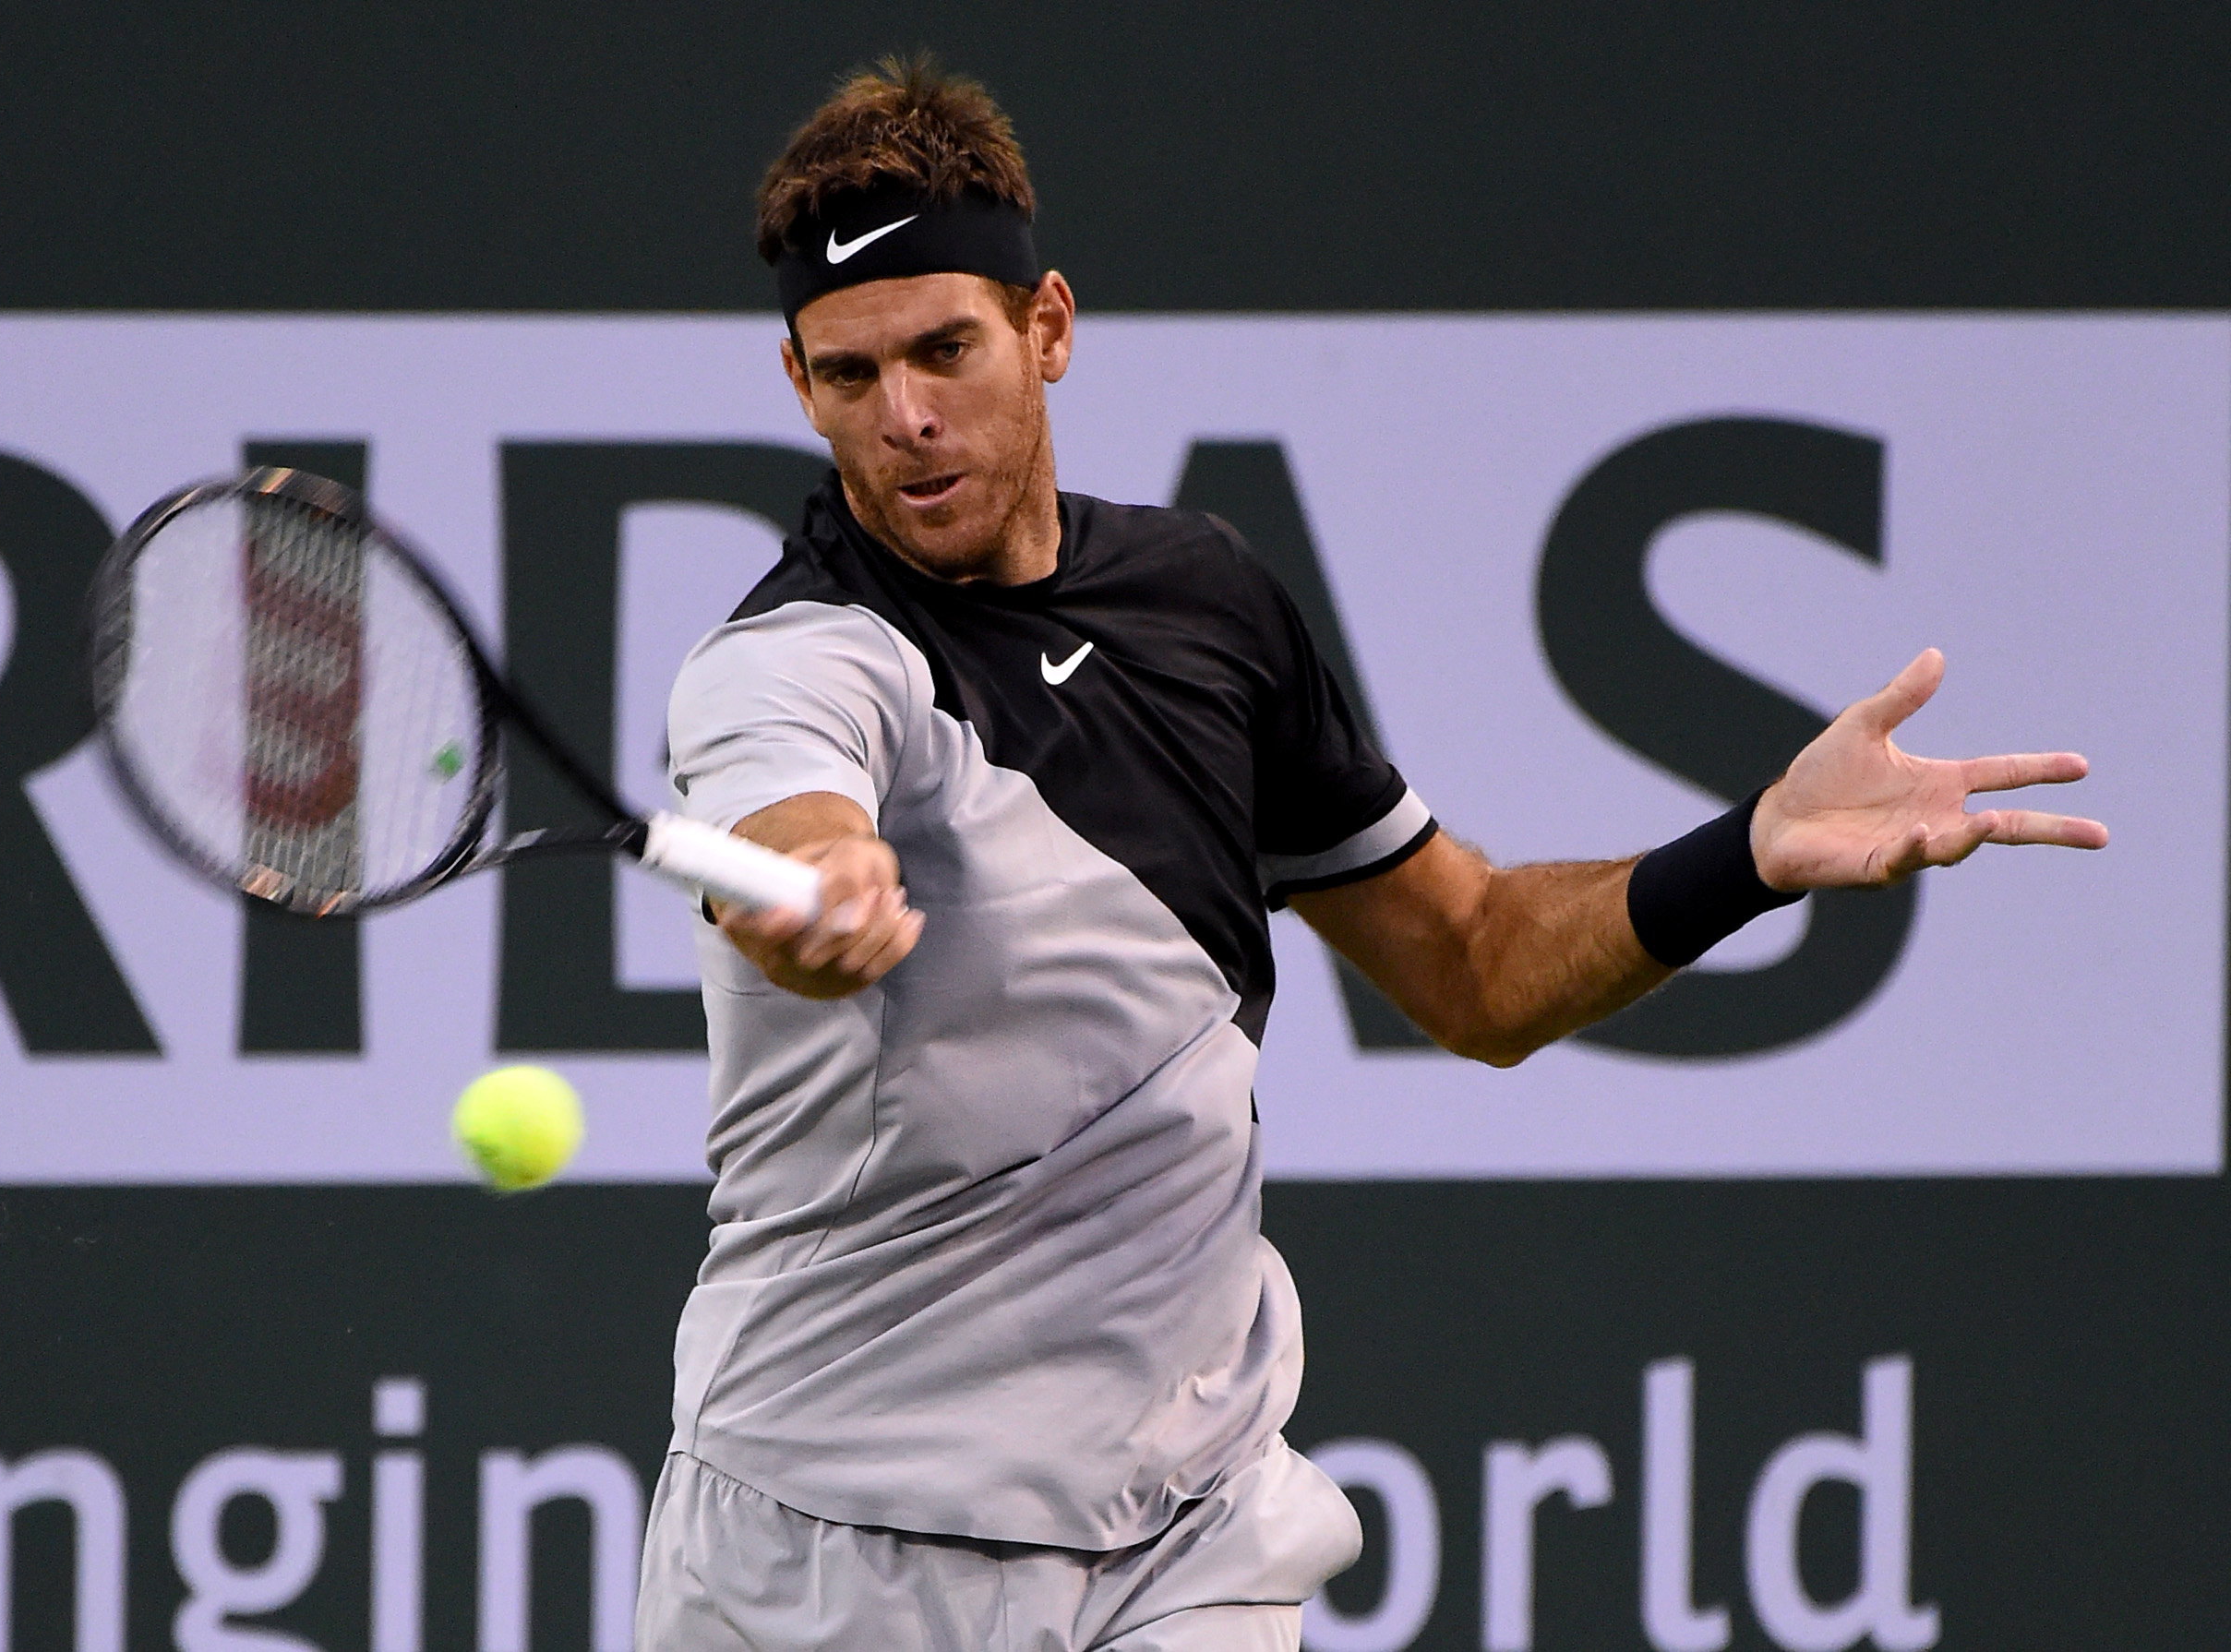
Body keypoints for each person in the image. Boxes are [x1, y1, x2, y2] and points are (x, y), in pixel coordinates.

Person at [635, 58, 2106, 1652]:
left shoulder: (1205, 602)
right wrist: (813, 893)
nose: (906, 416)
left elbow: (1474, 968)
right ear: (797, 382)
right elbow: (785, 834)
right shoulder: (790, 661)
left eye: (945, 350)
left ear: (1048, 327)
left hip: (1182, 1530)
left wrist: (1748, 849)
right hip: (829, 1550)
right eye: (850, 375)